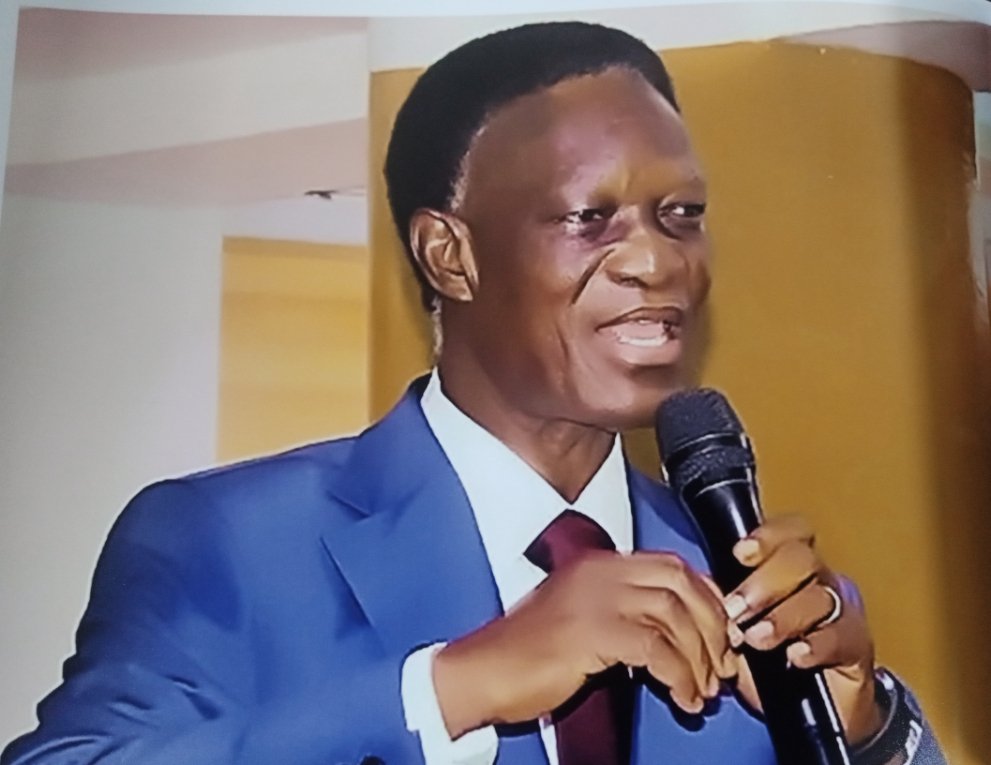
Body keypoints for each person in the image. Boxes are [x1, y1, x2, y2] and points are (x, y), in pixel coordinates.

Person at [2, 21, 943, 765]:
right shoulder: (231, 542)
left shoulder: (744, 581)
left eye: (680, 215)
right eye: (589, 217)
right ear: (449, 255)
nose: (658, 262)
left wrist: (863, 726)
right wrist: (451, 688)